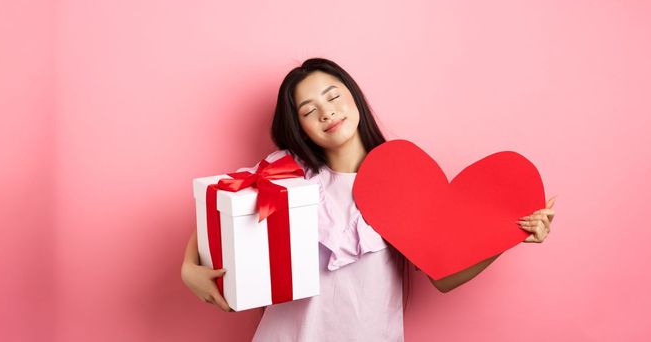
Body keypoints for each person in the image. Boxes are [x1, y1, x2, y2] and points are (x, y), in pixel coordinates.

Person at [181, 57, 557, 341]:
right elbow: (224, 204)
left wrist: (510, 235)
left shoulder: (402, 177)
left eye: (333, 97)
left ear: (353, 96)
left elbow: (443, 278)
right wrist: (188, 267)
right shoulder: (286, 170)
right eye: (309, 110)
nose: (327, 112)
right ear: (300, 126)